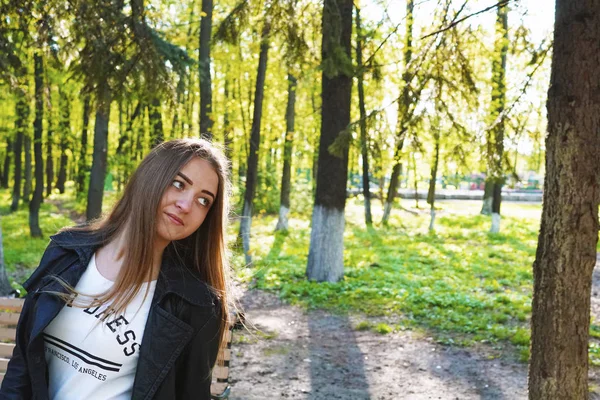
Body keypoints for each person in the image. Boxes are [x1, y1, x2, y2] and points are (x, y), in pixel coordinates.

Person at [0, 138, 231, 400]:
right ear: (149, 178)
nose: (186, 205)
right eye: (178, 184)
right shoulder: (66, 253)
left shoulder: (192, 303)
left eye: (203, 201)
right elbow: (22, 365)